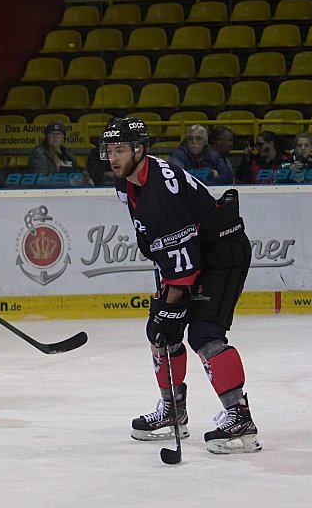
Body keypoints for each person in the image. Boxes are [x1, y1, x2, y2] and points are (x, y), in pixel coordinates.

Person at [100, 117, 260, 453]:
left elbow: (184, 262)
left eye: (121, 150)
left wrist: (171, 305)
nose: (113, 157)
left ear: (139, 150)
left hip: (222, 252)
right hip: (195, 250)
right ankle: (173, 410)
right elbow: (163, 245)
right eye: (110, 150)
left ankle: (240, 416)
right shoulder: (127, 181)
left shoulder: (160, 193)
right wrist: (165, 314)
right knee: (160, 332)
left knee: (204, 334)